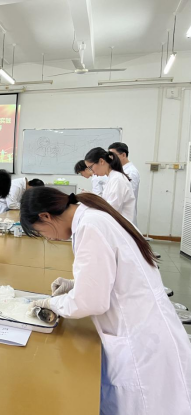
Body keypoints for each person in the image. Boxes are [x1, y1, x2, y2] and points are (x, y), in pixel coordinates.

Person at [19, 187, 191, 414]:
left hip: (142, 341)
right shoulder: (93, 216)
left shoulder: (90, 227)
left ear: (45, 216)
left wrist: (51, 304)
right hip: (148, 326)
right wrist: (76, 284)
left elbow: (90, 302)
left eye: (41, 232)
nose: (48, 238)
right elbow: (115, 273)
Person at [84, 147, 135, 224]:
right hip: (115, 223)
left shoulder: (117, 179)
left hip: (120, 225)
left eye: (90, 167)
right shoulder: (112, 178)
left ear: (101, 161)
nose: (92, 172)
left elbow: (111, 209)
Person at [109, 142, 140, 225]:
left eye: (113, 156)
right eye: (110, 156)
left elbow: (128, 194)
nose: (111, 159)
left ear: (123, 155)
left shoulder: (131, 172)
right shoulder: (118, 170)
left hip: (125, 214)